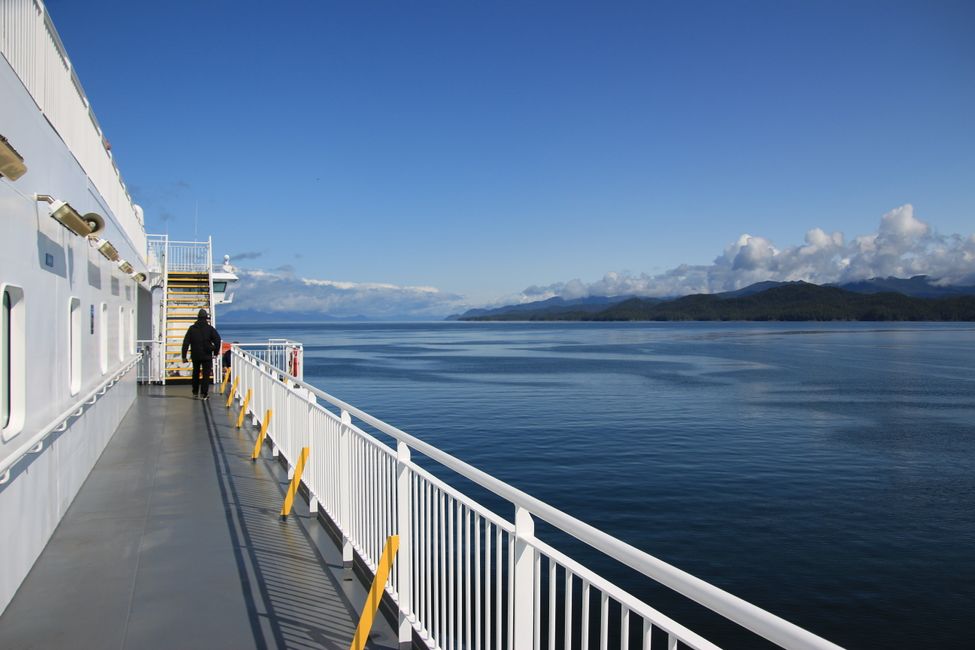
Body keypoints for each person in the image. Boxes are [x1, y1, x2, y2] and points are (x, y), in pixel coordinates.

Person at [181, 309, 221, 399]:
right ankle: (204, 394)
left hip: (195, 355)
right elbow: (217, 340)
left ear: (198, 318)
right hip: (207, 355)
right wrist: (215, 352)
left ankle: (195, 392)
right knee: (206, 375)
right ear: (206, 318)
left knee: (195, 373)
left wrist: (184, 356)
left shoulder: (192, 329)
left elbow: (186, 342)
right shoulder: (210, 329)